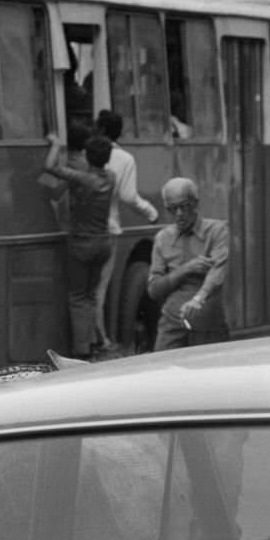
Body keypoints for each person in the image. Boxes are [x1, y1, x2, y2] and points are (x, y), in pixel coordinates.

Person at [43, 128, 116, 359]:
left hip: (81, 244)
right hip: (103, 243)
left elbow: (51, 168)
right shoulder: (111, 177)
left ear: (86, 155)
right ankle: (94, 341)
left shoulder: (83, 178)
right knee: (91, 295)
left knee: (77, 297)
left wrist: (55, 144)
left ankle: (81, 350)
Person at [93, 110, 159, 350]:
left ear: (99, 129)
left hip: (82, 231)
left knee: (84, 291)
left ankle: (93, 337)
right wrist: (151, 212)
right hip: (109, 230)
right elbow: (128, 196)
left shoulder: (86, 154)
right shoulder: (124, 158)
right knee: (99, 288)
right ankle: (102, 339)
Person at [147, 178, 229, 350]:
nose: (179, 214)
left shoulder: (217, 231)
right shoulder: (163, 238)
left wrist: (198, 299)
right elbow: (154, 290)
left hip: (207, 324)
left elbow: (218, 272)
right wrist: (186, 269)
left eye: (184, 206)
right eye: (172, 209)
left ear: (195, 203)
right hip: (172, 324)